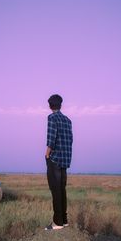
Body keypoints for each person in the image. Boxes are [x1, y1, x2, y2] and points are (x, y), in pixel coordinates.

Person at [45, 94, 73, 230]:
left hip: (55, 159)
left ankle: (57, 223)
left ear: (50, 106)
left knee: (55, 190)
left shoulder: (52, 118)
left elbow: (51, 139)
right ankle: (64, 220)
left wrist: (47, 154)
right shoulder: (68, 120)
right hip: (65, 160)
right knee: (62, 190)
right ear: (60, 105)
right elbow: (70, 141)